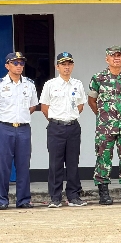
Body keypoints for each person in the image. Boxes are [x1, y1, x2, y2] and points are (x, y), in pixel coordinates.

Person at [0, 52, 39, 210]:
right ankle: (2, 200)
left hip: (23, 128)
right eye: (15, 63)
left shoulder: (29, 84)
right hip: (4, 128)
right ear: (7, 65)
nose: (19, 66)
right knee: (3, 166)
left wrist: (20, 117)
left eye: (21, 63)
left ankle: (23, 199)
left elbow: (33, 105)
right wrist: (4, 118)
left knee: (23, 165)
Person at [88, 46, 121, 205]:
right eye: (113, 56)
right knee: (103, 158)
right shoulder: (98, 78)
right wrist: (104, 116)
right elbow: (92, 101)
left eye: (119, 55)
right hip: (105, 126)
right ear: (107, 59)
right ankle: (104, 194)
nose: (116, 58)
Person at [40, 52, 88, 208]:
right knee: (55, 163)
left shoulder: (77, 84)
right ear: (57, 67)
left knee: (73, 163)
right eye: (63, 65)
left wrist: (69, 118)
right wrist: (57, 121)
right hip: (56, 128)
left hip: (73, 127)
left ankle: (73, 196)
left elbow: (81, 105)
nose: (66, 67)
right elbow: (44, 107)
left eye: (69, 64)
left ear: (72, 66)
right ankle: (55, 197)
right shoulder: (50, 85)